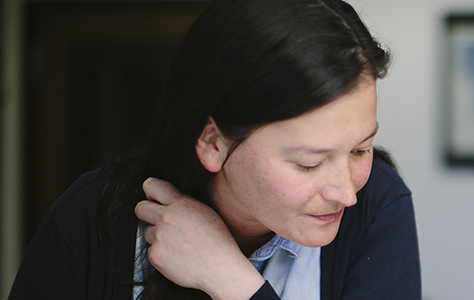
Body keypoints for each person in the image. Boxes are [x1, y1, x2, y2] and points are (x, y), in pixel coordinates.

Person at [8, 0, 420, 299]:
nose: (346, 192)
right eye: (308, 164)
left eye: (360, 150)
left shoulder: (376, 205)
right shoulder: (90, 218)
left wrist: (230, 279)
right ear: (213, 144)